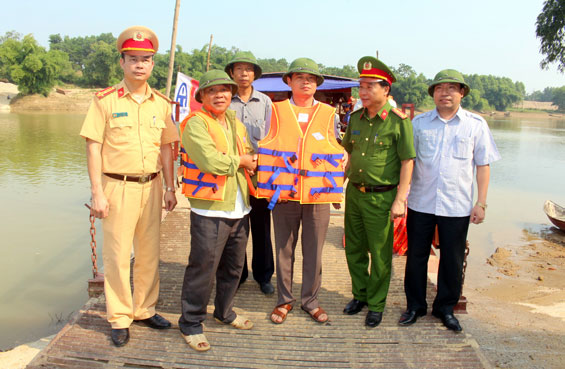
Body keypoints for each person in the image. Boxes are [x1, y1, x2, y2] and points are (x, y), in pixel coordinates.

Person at [79, 26, 179, 347]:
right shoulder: (104, 101)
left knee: (150, 253)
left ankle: (145, 309)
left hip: (152, 187)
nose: (140, 65)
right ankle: (120, 316)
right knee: (119, 255)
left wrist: (170, 187)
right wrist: (97, 193)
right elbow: (93, 146)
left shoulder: (161, 104)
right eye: (133, 59)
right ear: (122, 62)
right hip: (116, 187)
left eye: (146, 59)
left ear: (152, 65)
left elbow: (167, 148)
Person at [398, 69, 500, 332]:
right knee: (417, 256)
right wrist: (400, 197)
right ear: (433, 94)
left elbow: (483, 165)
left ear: (462, 93)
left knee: (452, 259)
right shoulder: (418, 124)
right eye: (439, 88)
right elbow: (407, 162)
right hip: (421, 201)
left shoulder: (475, 125)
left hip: (457, 205)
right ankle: (415, 306)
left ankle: (445, 308)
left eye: (452, 88)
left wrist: (482, 202)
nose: (445, 93)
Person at [256, 58, 345, 325]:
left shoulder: (330, 114)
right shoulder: (276, 110)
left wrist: (343, 158)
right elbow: (265, 146)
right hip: (283, 193)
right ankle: (284, 300)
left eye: (311, 78)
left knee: (314, 250)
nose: (306, 82)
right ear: (289, 81)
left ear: (317, 84)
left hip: (318, 193)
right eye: (300, 77)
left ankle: (311, 301)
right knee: (284, 249)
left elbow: (337, 148)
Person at [178, 70, 257, 352]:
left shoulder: (235, 122)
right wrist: (243, 160)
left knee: (234, 267)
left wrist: (253, 162)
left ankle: (224, 312)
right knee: (203, 268)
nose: (220, 95)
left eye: (225, 90)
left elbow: (249, 153)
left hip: (239, 207)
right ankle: (190, 322)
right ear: (202, 97)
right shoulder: (194, 124)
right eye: (213, 91)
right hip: (210, 210)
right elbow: (211, 161)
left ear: (232, 94)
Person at [341, 56, 415, 328]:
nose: (363, 91)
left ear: (386, 90)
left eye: (370, 86)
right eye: (361, 86)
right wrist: (337, 185)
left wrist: (400, 200)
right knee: (355, 250)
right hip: (355, 194)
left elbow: (408, 161)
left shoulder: (398, 122)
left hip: (382, 197)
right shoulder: (355, 118)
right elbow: (347, 152)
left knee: (380, 254)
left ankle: (376, 304)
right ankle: (359, 295)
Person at [224, 51, 275, 295]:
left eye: (249, 69)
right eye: (239, 69)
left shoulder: (265, 102)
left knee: (262, 225)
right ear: (231, 73)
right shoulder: (224, 100)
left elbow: (271, 138)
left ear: (255, 74)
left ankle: (264, 275)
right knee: (235, 226)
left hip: (259, 173)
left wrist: (259, 162)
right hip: (232, 172)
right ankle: (238, 273)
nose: (244, 73)